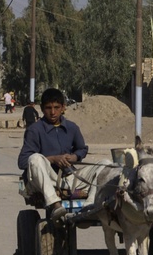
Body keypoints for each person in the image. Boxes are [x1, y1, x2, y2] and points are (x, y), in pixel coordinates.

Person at [18, 88, 102, 222]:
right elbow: (22, 162)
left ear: (63, 107)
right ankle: (55, 204)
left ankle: (90, 205)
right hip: (45, 180)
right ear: (42, 108)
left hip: (69, 179)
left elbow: (82, 149)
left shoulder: (72, 127)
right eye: (48, 108)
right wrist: (52, 159)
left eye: (57, 107)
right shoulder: (34, 130)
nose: (53, 112)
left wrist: (74, 157)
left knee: (105, 165)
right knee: (35, 158)